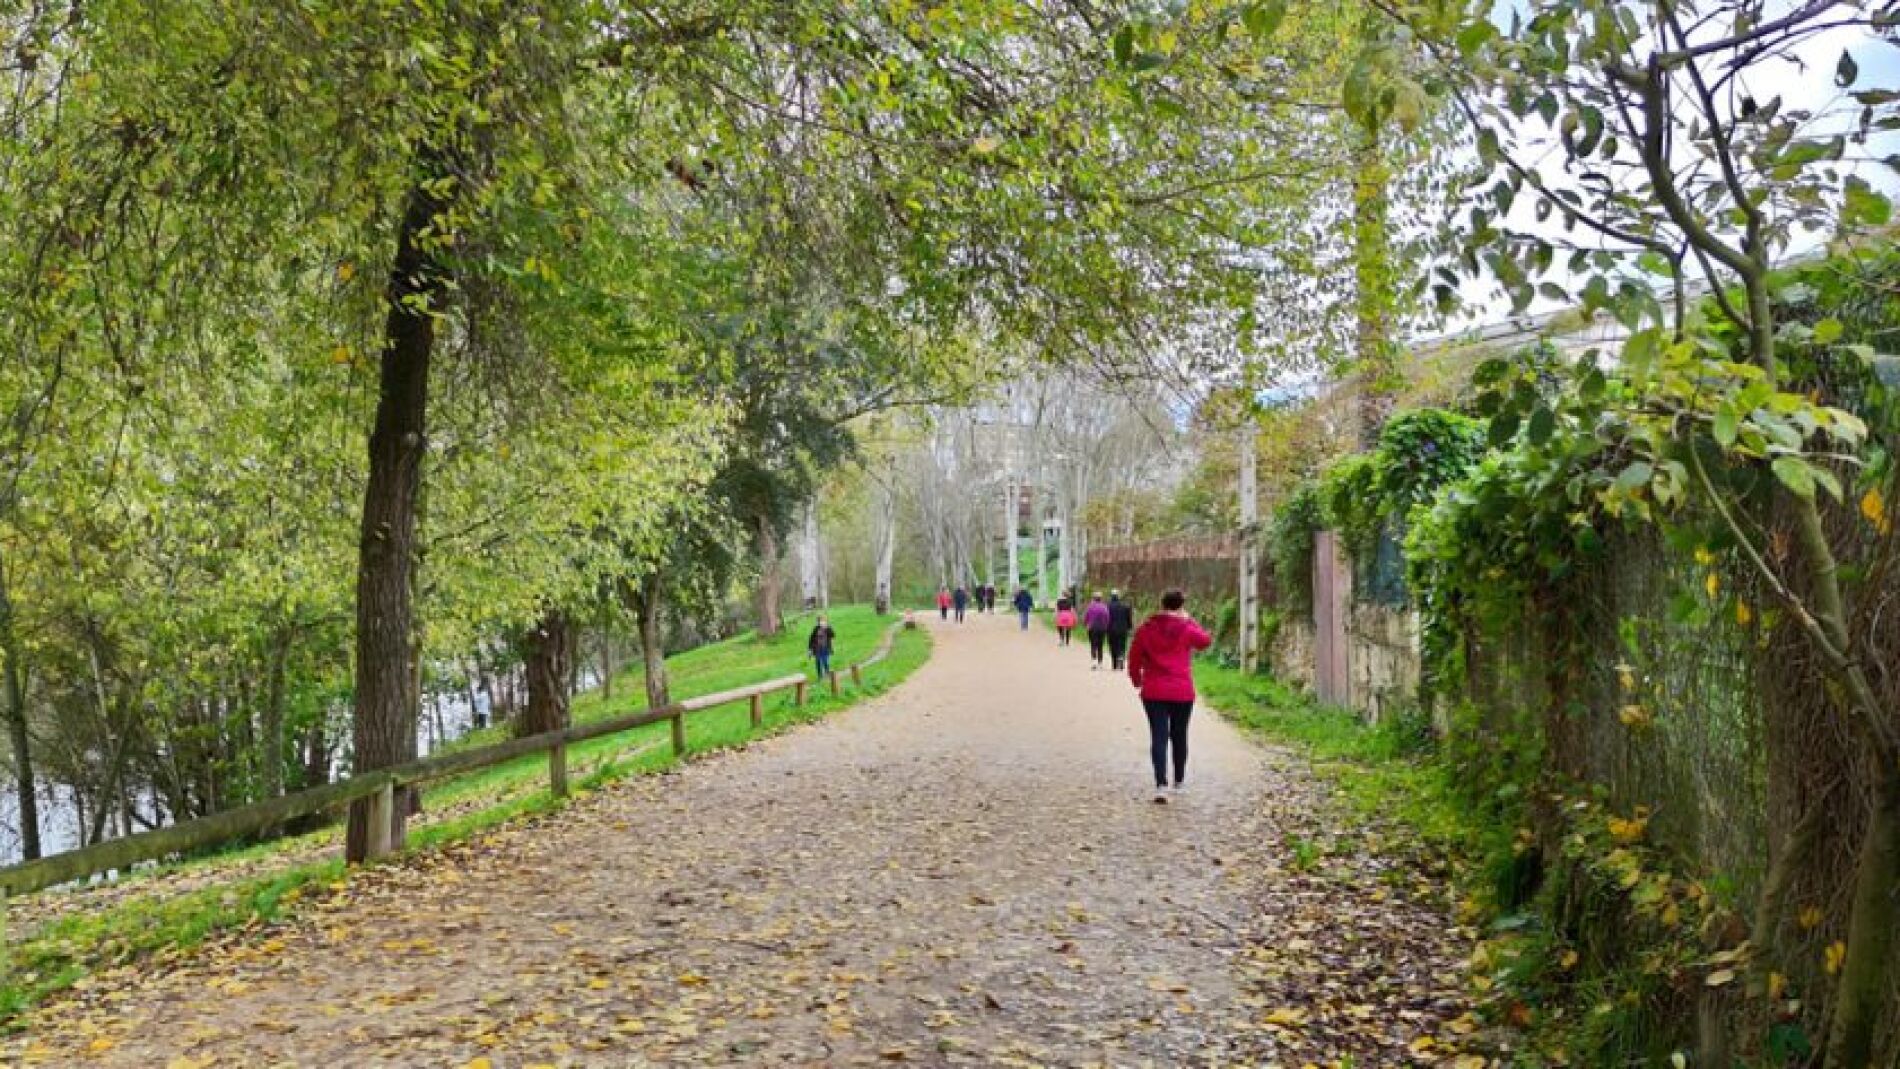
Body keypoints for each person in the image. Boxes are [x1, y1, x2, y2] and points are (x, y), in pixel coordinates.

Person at [1127, 589, 1212, 803]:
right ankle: (1179, 781)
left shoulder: (1146, 629)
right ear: (1181, 606)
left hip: (1154, 690)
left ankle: (1161, 785)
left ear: (1161, 604)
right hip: (1182, 691)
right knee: (1179, 735)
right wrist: (1190, 620)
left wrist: (1137, 680)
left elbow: (1134, 658)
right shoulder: (1187, 628)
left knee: (1159, 736)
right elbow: (1205, 641)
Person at [1106, 590, 1135, 670]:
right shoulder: (1125, 606)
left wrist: (1106, 627)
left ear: (1111, 596)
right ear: (1118, 597)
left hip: (1111, 629)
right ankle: (1121, 656)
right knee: (1122, 645)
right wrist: (1130, 627)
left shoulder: (1108, 606)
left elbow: (1106, 618)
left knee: (1113, 645)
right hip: (1123, 629)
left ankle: (1114, 663)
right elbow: (1129, 619)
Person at [1083, 592, 1111, 669]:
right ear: (1101, 599)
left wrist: (1085, 624)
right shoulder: (1104, 607)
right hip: (1102, 628)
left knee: (1093, 644)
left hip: (1092, 628)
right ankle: (1100, 663)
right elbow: (1107, 617)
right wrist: (1106, 625)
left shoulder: (1090, 607)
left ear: (1093, 598)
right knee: (1100, 645)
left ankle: (1094, 662)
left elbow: (1086, 617)